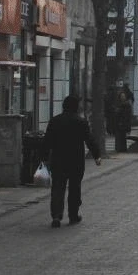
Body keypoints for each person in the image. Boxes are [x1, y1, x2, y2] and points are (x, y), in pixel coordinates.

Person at [42, 95, 101, 228]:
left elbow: (47, 142)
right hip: (76, 161)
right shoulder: (80, 122)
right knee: (75, 188)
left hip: (58, 160)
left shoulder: (55, 121)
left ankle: (56, 215)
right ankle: (73, 215)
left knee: (57, 187)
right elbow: (89, 140)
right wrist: (97, 155)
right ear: (75, 106)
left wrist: (44, 157)